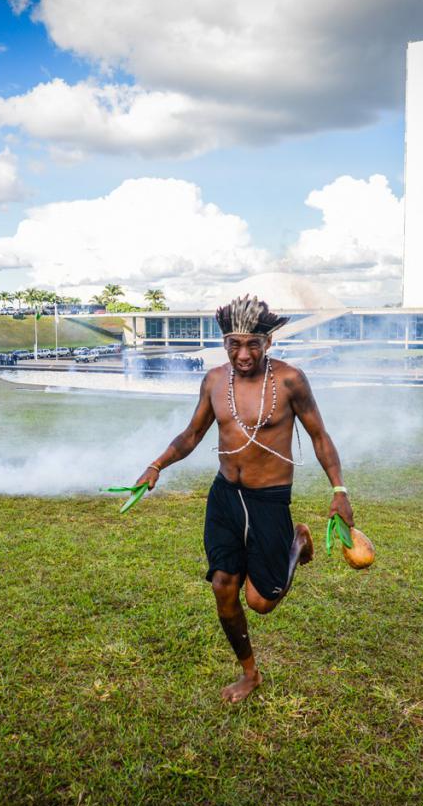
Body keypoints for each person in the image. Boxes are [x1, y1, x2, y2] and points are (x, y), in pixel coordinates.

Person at [133, 295, 353, 704]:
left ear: (268, 342)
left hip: (268, 499)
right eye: (234, 343)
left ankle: (296, 542)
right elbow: (192, 435)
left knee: (261, 602)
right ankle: (250, 673)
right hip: (225, 497)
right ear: (224, 343)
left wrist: (339, 490)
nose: (244, 353)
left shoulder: (290, 381)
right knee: (222, 585)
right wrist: (157, 464)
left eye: (253, 343)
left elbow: (320, 437)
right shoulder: (215, 381)